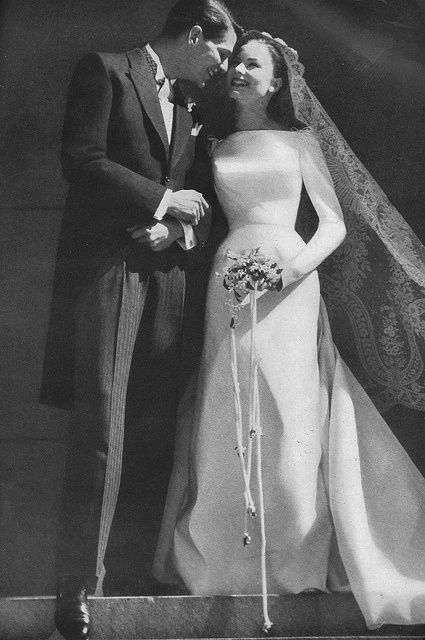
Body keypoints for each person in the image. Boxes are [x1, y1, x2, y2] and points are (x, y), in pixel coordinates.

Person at [153, 30, 425, 630]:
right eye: (237, 64)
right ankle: (221, 564)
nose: (239, 71)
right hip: (228, 276)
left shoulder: (300, 141)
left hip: (290, 280)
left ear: (277, 81)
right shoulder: (212, 141)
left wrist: (291, 269)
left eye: (253, 64)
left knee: (289, 410)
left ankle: (295, 562)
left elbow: (331, 223)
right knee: (227, 407)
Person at [40, 2, 238, 639]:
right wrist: (161, 199)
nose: (222, 67)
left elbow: (201, 207)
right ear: (191, 34)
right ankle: (80, 586)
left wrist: (172, 229)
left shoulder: (189, 107)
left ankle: (127, 577)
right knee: (102, 422)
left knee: (153, 425)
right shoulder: (104, 71)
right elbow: (85, 162)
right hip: (105, 276)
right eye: (220, 52)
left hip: (168, 283)